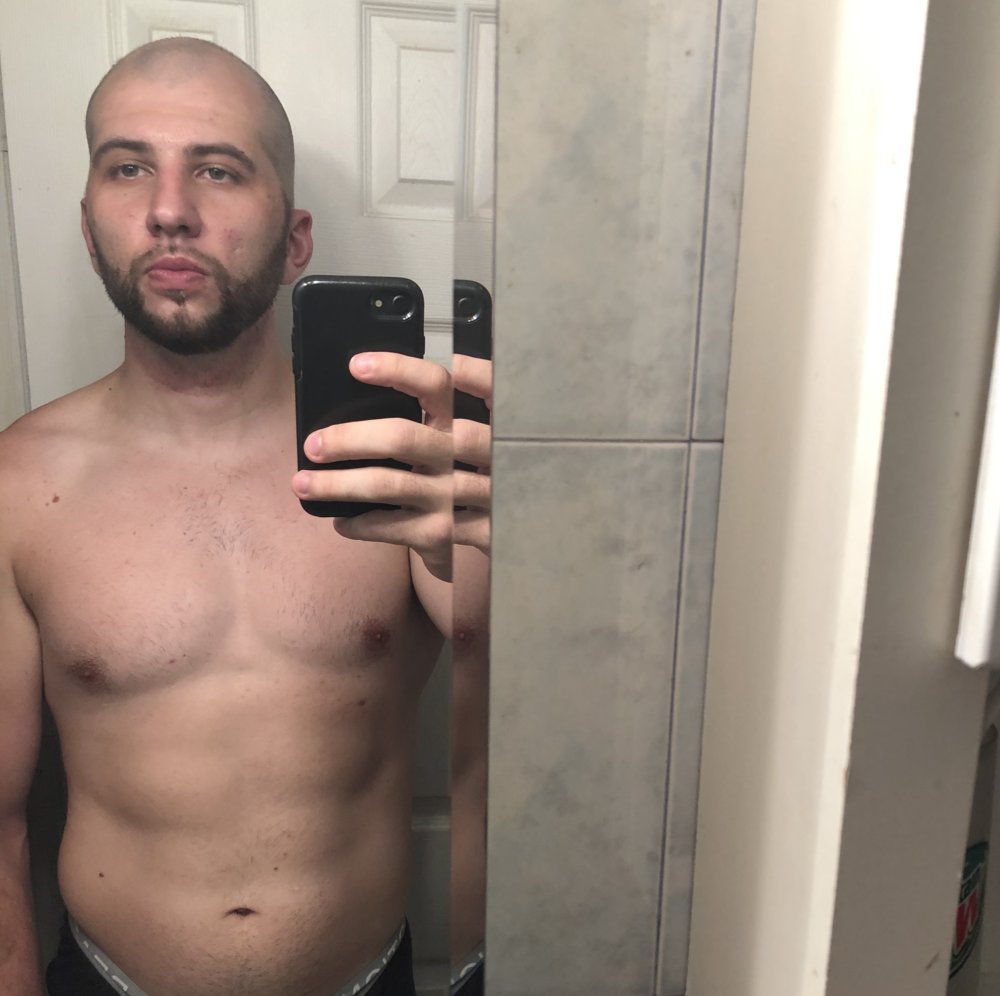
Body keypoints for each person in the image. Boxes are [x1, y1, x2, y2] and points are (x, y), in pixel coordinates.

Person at [0, 37, 491, 996]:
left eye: (219, 170)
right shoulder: (17, 485)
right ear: (90, 226)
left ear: (296, 239)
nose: (170, 209)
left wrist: (503, 530)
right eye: (128, 167)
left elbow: (526, 709)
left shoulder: (403, 459)